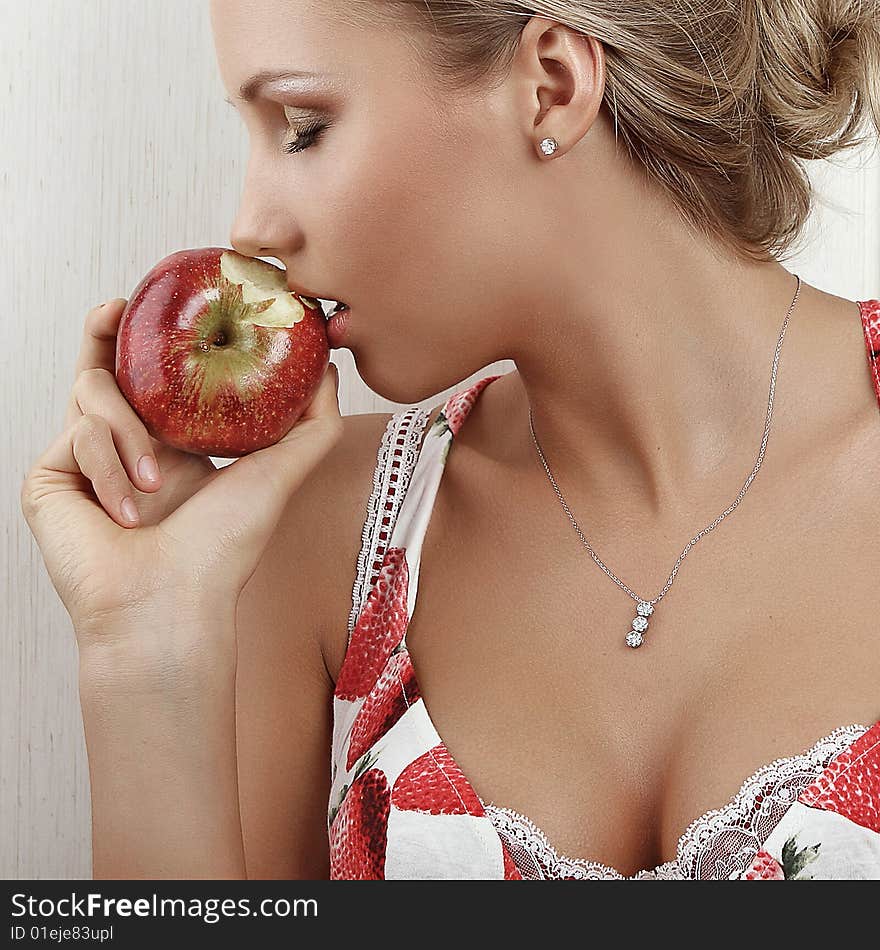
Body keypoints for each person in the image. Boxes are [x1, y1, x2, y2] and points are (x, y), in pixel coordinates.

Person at [20, 0, 880, 880]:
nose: (250, 228)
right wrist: (144, 643)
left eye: (304, 128)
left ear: (551, 86)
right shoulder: (313, 533)